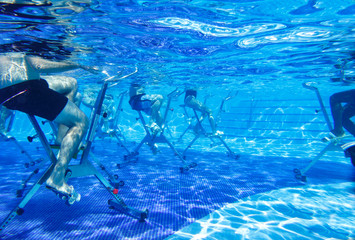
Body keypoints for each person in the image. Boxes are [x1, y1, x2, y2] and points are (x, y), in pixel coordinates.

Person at [0, 52, 96, 202]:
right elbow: (38, 65)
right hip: (26, 90)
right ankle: (57, 178)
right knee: (81, 121)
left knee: (71, 83)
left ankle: (61, 136)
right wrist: (79, 64)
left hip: (8, 94)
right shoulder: (30, 35)